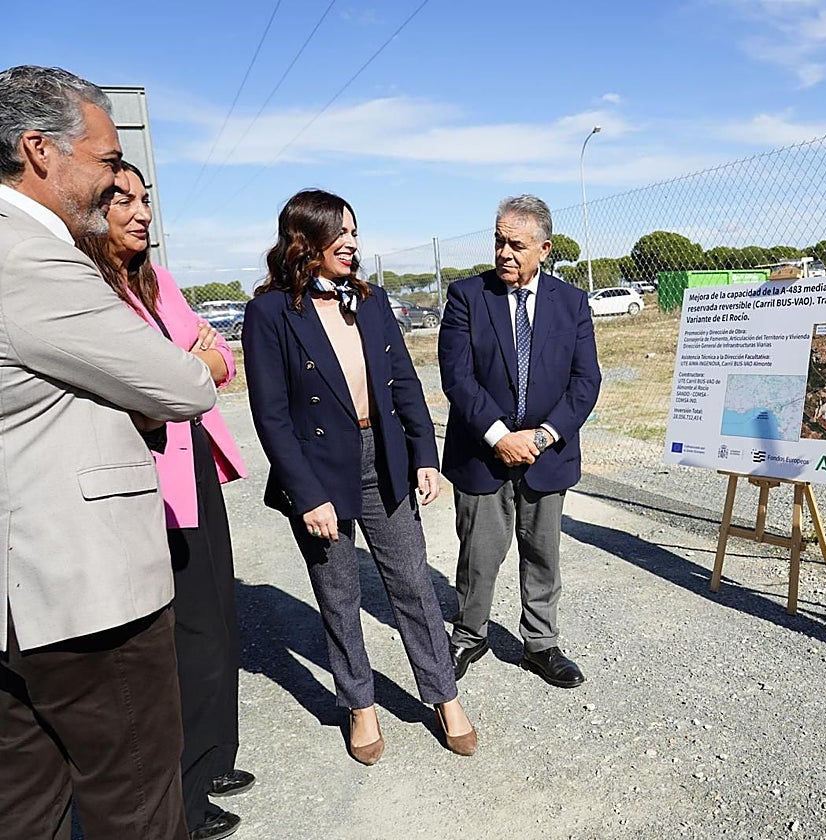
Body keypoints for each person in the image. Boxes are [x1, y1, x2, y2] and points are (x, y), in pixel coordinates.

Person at [0, 66, 217, 840]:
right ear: (39, 151)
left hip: (23, 602)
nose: (114, 180)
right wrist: (207, 365)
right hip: (86, 597)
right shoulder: (29, 253)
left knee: (27, 807)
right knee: (137, 808)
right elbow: (180, 384)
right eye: (103, 159)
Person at [243, 189, 476, 763]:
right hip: (319, 471)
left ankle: (443, 697)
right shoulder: (270, 313)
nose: (352, 244)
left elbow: (402, 383)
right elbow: (270, 414)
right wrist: (307, 494)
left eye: (355, 232)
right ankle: (361, 706)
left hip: (384, 460)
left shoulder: (371, 301)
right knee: (339, 593)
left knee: (413, 584)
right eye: (339, 234)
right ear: (305, 242)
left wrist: (424, 452)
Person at [77, 162, 251, 840]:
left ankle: (209, 760)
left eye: (146, 198)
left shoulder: (157, 281)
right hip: (144, 478)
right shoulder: (90, 290)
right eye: (122, 199)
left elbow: (220, 364)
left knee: (214, 621)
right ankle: (181, 792)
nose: (141, 211)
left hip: (194, 467)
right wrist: (187, 362)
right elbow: (159, 382)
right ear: (90, 209)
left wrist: (189, 361)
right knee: (175, 640)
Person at [439, 195, 601, 688]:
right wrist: (500, 436)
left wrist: (545, 435)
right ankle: (469, 634)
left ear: (544, 249)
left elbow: (585, 380)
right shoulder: (468, 296)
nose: (504, 253)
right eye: (498, 241)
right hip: (482, 451)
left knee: (543, 552)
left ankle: (541, 643)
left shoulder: (570, 303)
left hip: (546, 454)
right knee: (480, 552)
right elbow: (458, 376)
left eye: (517, 244)